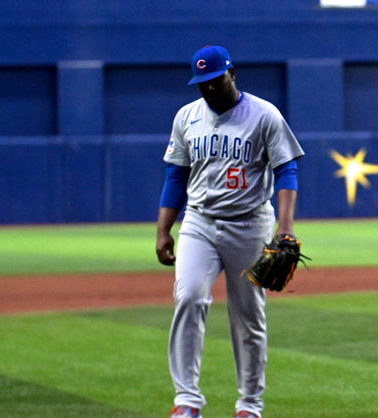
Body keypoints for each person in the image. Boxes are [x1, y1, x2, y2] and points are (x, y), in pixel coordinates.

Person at [156, 45, 304, 418]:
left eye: (214, 80)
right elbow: (176, 175)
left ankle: (249, 405)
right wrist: (163, 230)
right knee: (189, 298)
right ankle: (187, 400)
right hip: (199, 223)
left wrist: (284, 230)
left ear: (231, 73)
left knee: (248, 316)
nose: (208, 88)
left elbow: (287, 171)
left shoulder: (264, 114)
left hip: (250, 224)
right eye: (201, 82)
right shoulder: (186, 117)